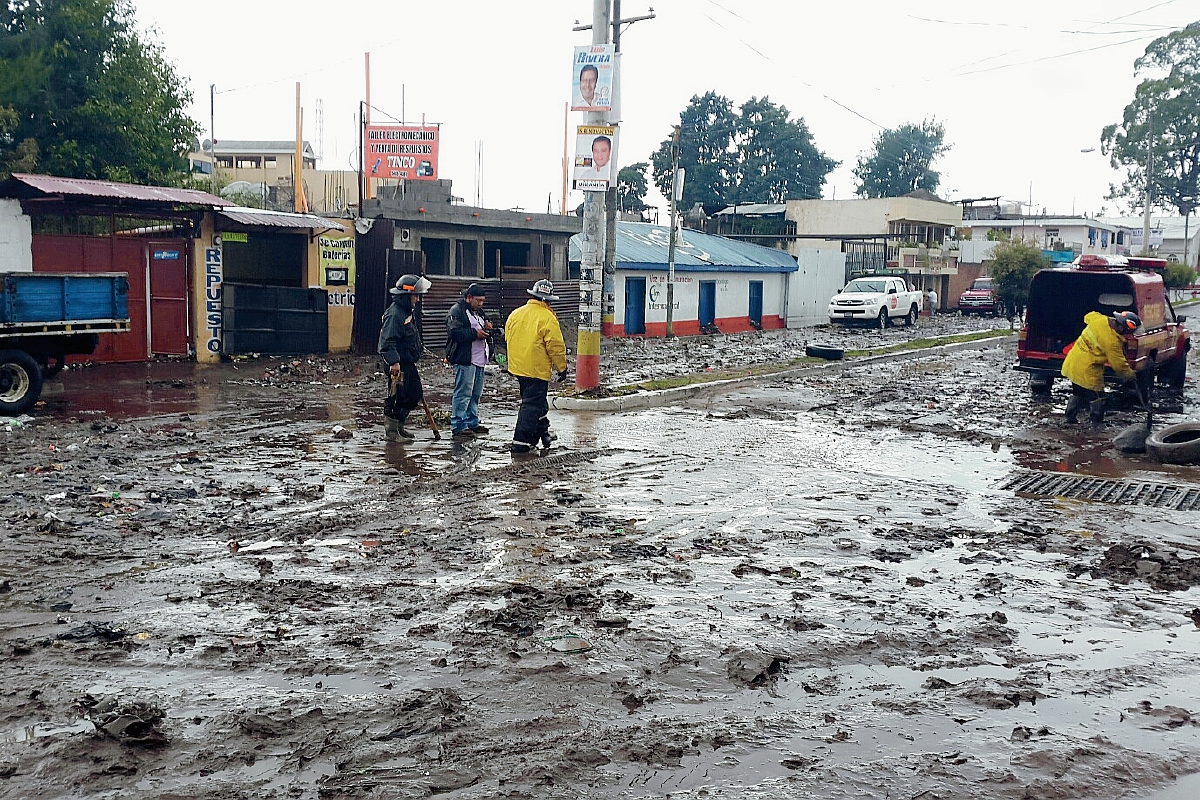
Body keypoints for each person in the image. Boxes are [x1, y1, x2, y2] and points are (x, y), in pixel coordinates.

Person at [505, 279, 569, 454]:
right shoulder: (547, 318)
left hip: (518, 367)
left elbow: (508, 338)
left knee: (538, 403)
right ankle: (521, 442)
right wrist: (562, 368)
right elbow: (555, 346)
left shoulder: (516, 314)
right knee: (532, 405)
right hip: (536, 369)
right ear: (548, 301)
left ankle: (542, 433)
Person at [1061, 310, 1140, 427]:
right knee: (1098, 397)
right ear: (1123, 329)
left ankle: (1069, 418)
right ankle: (1096, 424)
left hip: (1073, 362)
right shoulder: (1112, 342)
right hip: (1088, 369)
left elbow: (1087, 316)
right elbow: (1119, 366)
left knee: (1078, 392)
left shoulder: (1099, 319)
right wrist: (1131, 375)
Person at [378, 273, 431, 442]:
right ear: (407, 295)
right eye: (415, 296)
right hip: (397, 365)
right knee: (396, 396)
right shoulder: (395, 314)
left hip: (407, 363)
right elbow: (387, 341)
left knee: (414, 394)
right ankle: (392, 433)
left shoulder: (406, 312)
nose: (418, 300)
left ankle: (399, 426)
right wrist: (394, 361)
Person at [445, 283, 494, 438]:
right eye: (478, 300)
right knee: (463, 392)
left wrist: (488, 327)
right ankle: (458, 425)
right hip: (465, 358)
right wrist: (475, 334)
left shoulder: (479, 312)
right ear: (468, 298)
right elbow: (455, 332)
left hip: (479, 358)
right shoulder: (457, 311)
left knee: (475, 393)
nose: (480, 304)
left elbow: (482, 326)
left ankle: (472, 421)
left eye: (482, 301)